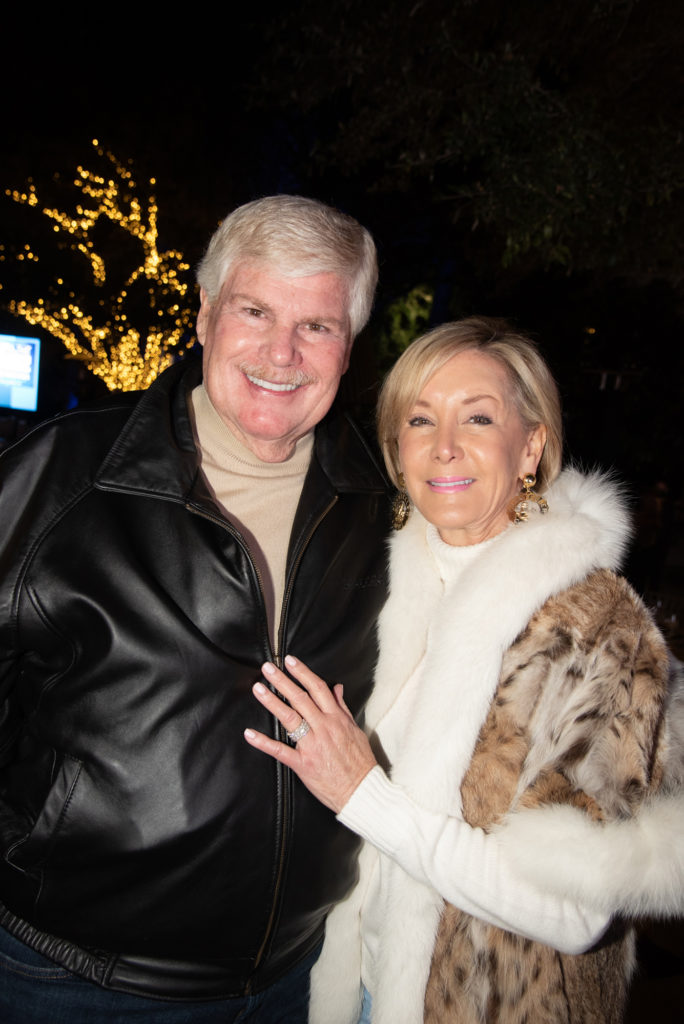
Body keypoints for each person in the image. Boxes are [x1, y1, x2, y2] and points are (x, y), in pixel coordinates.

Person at [0, 196, 391, 1022]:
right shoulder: (65, 475)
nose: (282, 352)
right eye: (255, 311)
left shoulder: (382, 506)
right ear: (207, 312)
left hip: (294, 978)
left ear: (348, 345)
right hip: (72, 981)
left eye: (316, 325)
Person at [245, 317, 684, 1024]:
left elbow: (572, 915)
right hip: (356, 987)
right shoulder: (385, 580)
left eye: (478, 417)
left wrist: (363, 794)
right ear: (396, 448)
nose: (443, 445)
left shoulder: (596, 628)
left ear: (531, 445)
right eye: (420, 419)